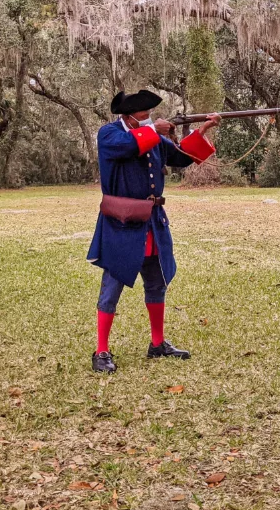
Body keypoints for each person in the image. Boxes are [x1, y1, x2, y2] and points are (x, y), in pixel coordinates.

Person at [87, 89, 220, 374]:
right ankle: (100, 351)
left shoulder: (152, 135)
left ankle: (157, 344)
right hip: (121, 222)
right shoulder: (109, 134)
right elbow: (129, 145)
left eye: (148, 113)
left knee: (156, 283)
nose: (148, 116)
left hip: (153, 221)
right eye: (143, 113)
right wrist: (153, 129)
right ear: (129, 116)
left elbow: (183, 157)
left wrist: (204, 129)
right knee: (112, 287)